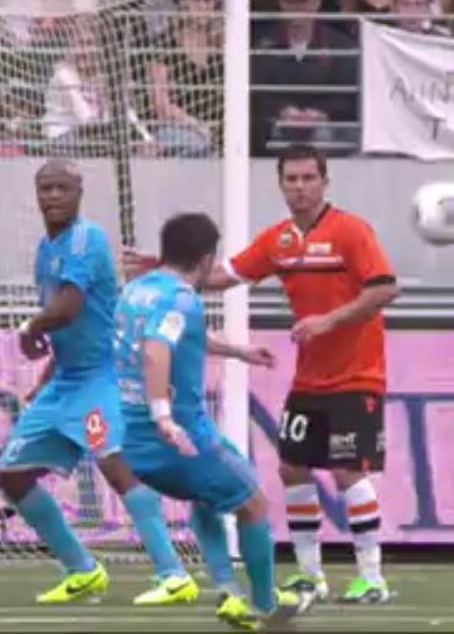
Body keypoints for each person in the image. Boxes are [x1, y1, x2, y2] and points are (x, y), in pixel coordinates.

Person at [123, 145, 400, 604]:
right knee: (293, 468)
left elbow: (386, 287)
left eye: (309, 178)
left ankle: (372, 577)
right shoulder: (279, 241)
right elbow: (220, 276)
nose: (300, 187)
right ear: (281, 184)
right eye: (291, 179)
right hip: (310, 377)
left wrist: (327, 321)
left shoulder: (351, 232)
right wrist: (164, 266)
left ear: (325, 182)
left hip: (357, 373)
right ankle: (311, 574)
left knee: (348, 469)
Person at [0, 160, 198, 607]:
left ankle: (173, 573)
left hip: (104, 374)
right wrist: (44, 358)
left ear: (79, 191)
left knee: (114, 463)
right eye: (45, 188)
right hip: (67, 378)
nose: (52, 196)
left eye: (61, 188)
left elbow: (68, 308)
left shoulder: (88, 240)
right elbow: (65, 324)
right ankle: (82, 570)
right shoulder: (47, 249)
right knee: (12, 473)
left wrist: (30, 327)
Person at [118, 212, 313, 629]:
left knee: (209, 498)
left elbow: (179, 336)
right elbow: (156, 349)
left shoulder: (137, 290)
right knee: (254, 503)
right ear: (206, 259)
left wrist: (238, 351)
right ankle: (265, 603)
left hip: (131, 438)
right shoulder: (182, 298)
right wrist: (165, 419)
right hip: (177, 437)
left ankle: (229, 592)